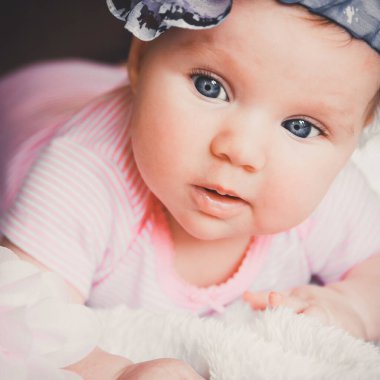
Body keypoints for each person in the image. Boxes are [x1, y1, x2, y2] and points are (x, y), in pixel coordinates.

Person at [1, 0, 380, 378]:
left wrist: (355, 306)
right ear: (141, 57)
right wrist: (114, 371)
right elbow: (19, 317)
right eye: (210, 86)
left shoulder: (329, 192)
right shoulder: (83, 173)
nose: (240, 150)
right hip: (36, 94)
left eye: (301, 127)